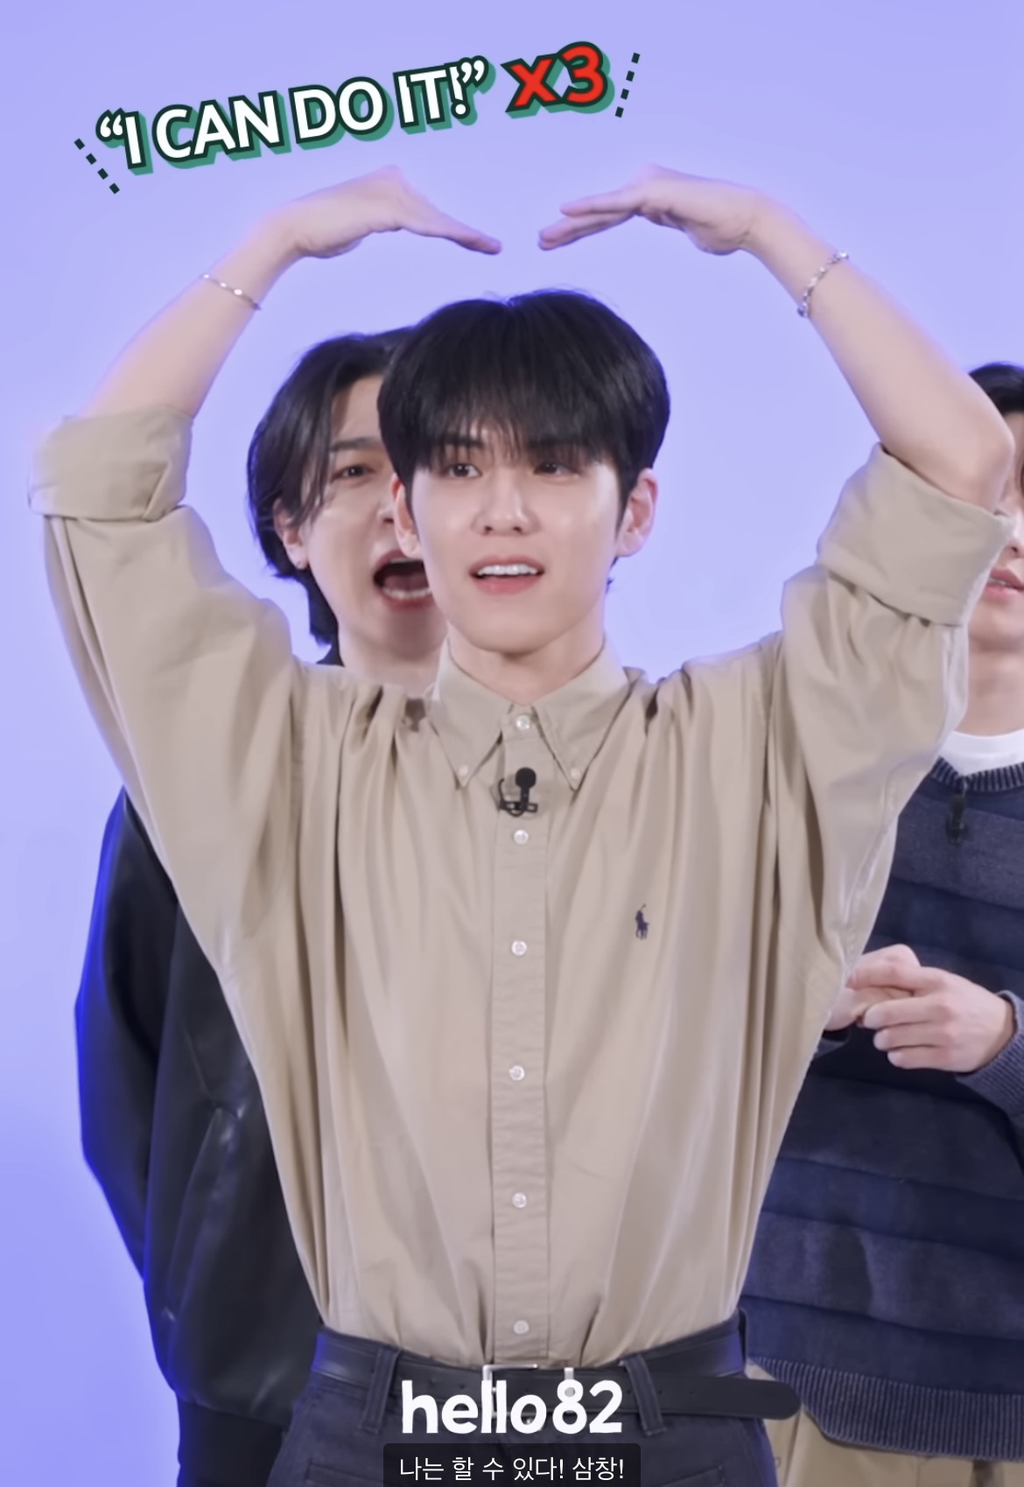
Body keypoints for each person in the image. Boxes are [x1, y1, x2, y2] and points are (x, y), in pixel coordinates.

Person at [31, 164, 1015, 1487]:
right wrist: (273, 246)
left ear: (635, 510)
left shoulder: (760, 745)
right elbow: (100, 495)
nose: (504, 507)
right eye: (459, 466)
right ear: (408, 509)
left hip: (667, 1429)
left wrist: (771, 237)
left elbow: (959, 464)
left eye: (554, 463)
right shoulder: (291, 763)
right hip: (375, 1430)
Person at [73, 328, 446, 1487]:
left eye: (435, 465)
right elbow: (125, 1068)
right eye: (354, 472)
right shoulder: (209, 778)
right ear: (289, 530)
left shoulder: (614, 769)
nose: (399, 508)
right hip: (269, 1379)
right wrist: (215, 1293)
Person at [743, 362, 1024, 1487]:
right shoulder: (794, 752)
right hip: (792, 1377)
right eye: (990, 492)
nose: (1011, 533)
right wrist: (800, 1008)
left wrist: (1005, 1041)